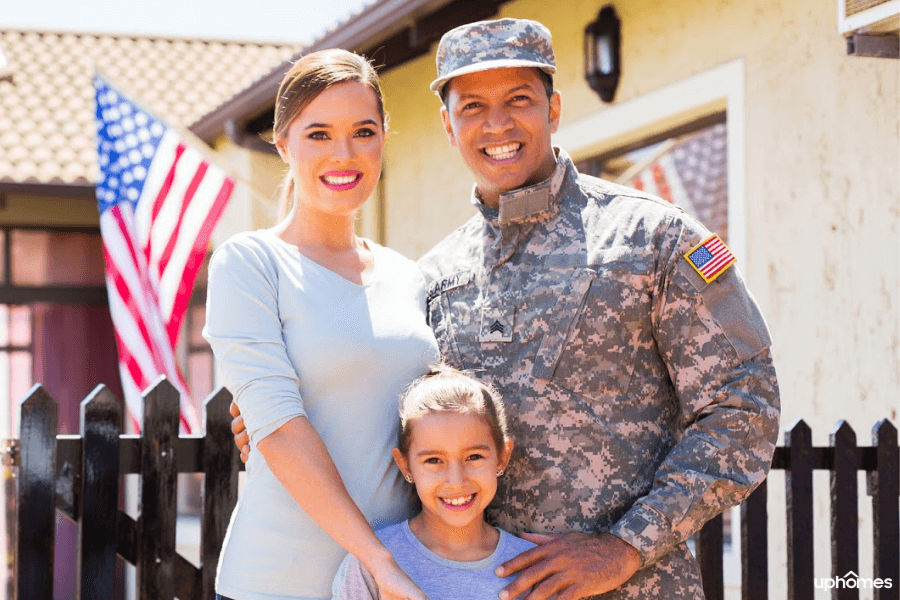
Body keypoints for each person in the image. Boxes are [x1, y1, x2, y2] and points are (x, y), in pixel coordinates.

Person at [233, 17, 781, 600]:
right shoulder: (434, 276)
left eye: (519, 98)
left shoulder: (654, 239)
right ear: (448, 124)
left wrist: (627, 546)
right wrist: (280, 421)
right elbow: (401, 417)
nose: (497, 124)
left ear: (554, 108)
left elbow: (745, 406)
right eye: (472, 106)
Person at [204, 48, 440, 600]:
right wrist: (379, 561)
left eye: (363, 131)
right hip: (277, 581)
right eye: (318, 134)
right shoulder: (249, 263)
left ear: (384, 137)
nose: (344, 153)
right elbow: (280, 430)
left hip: (395, 585)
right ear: (283, 143)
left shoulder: (411, 278)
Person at [331, 365, 535, 600]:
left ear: (502, 456)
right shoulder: (371, 563)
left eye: (474, 457)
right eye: (434, 460)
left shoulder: (532, 567)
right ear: (405, 465)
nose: (456, 481)